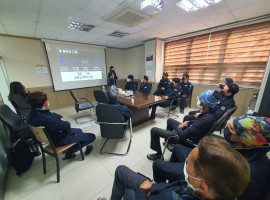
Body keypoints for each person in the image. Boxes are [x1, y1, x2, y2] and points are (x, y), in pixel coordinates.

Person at [153, 115, 270, 200]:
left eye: (232, 129)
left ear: (244, 138)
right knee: (178, 148)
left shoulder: (251, 170)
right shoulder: (245, 149)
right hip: (209, 161)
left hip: (206, 176)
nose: (227, 128)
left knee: (158, 164)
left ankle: (178, 184)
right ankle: (174, 180)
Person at [100, 137, 250, 200]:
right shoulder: (209, 189)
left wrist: (141, 190)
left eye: (189, 162)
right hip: (160, 188)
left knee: (123, 178)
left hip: (152, 193)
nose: (184, 161)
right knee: (122, 170)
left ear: (201, 184)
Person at [147, 90, 220, 161]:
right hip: (190, 131)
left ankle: (158, 155)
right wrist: (188, 122)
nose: (198, 100)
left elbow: (182, 136)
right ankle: (169, 143)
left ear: (205, 103)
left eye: (200, 100)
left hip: (187, 139)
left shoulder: (205, 119)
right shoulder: (212, 113)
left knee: (154, 130)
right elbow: (198, 122)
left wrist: (179, 128)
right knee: (170, 121)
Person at [27, 91, 96, 159]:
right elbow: (67, 126)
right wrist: (61, 120)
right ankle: (69, 151)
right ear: (45, 103)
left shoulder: (32, 115)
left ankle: (76, 143)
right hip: (60, 140)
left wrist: (59, 119)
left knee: (79, 130)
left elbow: (57, 115)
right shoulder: (48, 119)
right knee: (92, 136)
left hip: (52, 138)